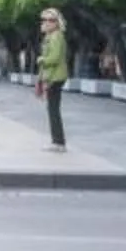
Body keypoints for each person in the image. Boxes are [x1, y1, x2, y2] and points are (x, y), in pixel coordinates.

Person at [38, 8, 71, 150]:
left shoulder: (56, 36)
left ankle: (58, 142)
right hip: (53, 76)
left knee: (53, 109)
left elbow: (55, 58)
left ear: (57, 22)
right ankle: (57, 142)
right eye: (44, 20)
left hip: (56, 77)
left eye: (51, 20)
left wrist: (42, 60)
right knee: (52, 109)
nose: (47, 22)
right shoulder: (50, 36)